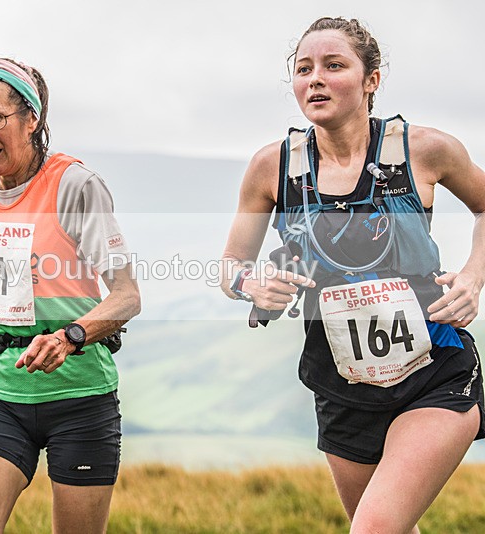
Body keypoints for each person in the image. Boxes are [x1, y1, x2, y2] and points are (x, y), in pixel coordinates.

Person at [221, 17, 485, 533]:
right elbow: (230, 266)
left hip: (436, 370)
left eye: (333, 66)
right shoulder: (270, 168)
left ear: (372, 80)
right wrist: (254, 286)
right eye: (303, 69)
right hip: (341, 387)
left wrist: (474, 278)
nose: (314, 79)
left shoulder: (426, 150)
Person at [0, 57, 140, 534]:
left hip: (80, 398)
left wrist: (71, 336)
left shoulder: (76, 185)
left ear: (31, 119)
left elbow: (126, 297)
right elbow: (23, 280)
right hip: (3, 394)